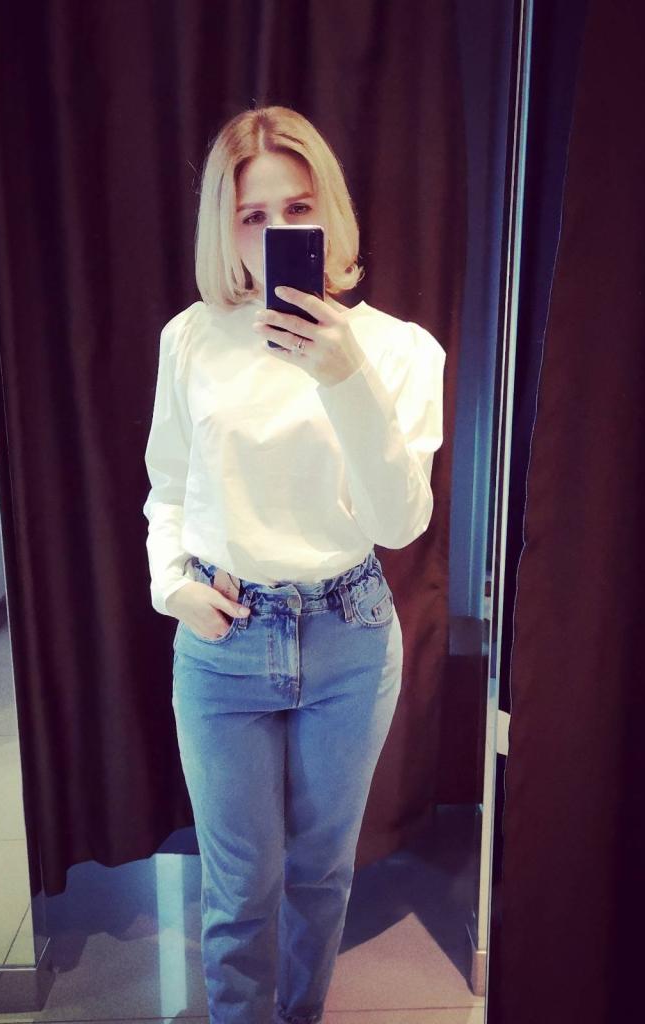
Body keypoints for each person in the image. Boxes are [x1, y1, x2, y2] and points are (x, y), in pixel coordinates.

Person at [142, 105, 445, 1024]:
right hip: (223, 635)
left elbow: (399, 523)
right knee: (239, 886)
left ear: (330, 214)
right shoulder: (191, 339)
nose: (278, 232)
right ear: (226, 228)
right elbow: (167, 487)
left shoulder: (397, 350)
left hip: (348, 632)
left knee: (320, 873)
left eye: (298, 209)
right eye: (253, 215)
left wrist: (342, 373)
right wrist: (171, 586)